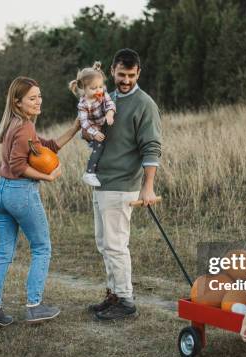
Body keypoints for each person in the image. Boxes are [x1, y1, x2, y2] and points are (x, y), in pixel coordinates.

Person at [0, 76, 80, 327]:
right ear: (18, 102)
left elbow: (46, 147)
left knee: (3, 251)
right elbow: (18, 166)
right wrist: (48, 177)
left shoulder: (13, 124)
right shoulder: (25, 126)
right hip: (20, 193)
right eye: (32, 98)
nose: (39, 101)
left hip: (0, 192)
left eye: (40, 96)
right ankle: (34, 307)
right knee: (42, 247)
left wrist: (75, 128)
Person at [85, 49, 162, 321]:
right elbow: (101, 137)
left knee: (116, 244)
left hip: (122, 184)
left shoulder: (144, 104)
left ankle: (126, 300)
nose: (126, 80)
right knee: (103, 242)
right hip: (101, 182)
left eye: (131, 75)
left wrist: (148, 186)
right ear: (112, 72)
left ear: (138, 73)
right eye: (121, 74)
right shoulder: (107, 99)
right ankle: (113, 294)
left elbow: (151, 147)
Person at [69, 61, 116, 187]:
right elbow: (84, 122)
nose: (98, 90)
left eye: (100, 87)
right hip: (92, 129)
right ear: (83, 89)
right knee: (99, 147)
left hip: (102, 123)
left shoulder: (103, 94)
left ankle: (105, 168)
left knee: (107, 145)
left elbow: (110, 104)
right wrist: (94, 133)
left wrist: (110, 113)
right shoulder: (83, 104)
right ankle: (89, 173)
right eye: (93, 88)